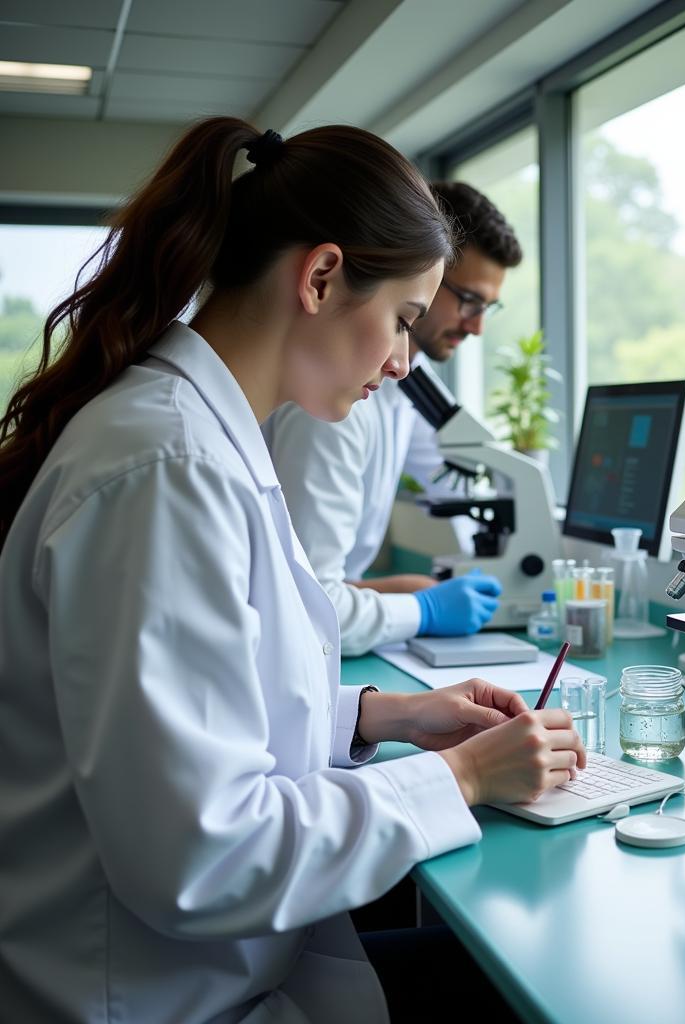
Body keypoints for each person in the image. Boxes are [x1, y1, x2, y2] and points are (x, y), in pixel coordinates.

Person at [0, 117, 585, 1024]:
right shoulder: (167, 469)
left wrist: (388, 714)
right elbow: (203, 858)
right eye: (399, 319)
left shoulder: (202, 435)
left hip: (211, 970)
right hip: (155, 999)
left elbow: (214, 706)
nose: (401, 361)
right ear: (319, 277)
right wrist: (463, 778)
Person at [263, 182, 523, 655]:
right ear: (427, 270)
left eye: (489, 308)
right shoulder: (332, 399)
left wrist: (399, 591)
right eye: (470, 301)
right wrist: (424, 610)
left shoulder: (412, 383)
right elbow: (305, 605)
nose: (478, 326)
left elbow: (451, 479)